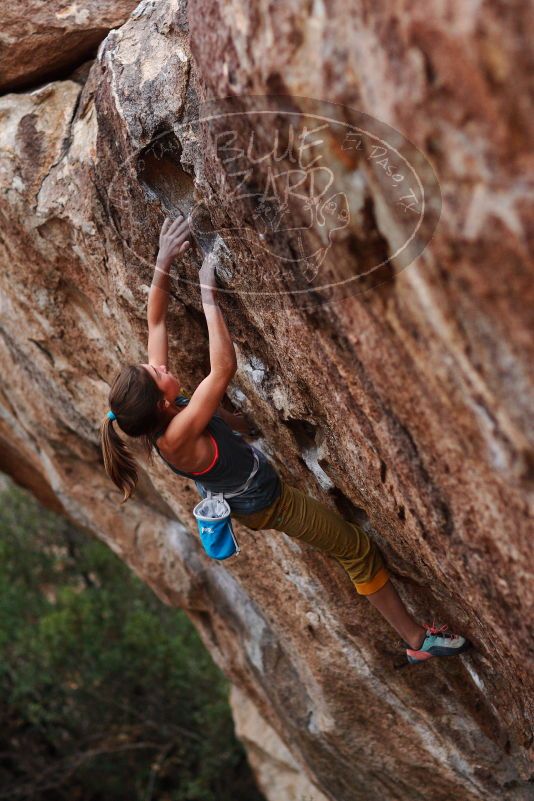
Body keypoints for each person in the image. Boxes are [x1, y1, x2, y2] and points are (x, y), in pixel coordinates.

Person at [100, 215, 472, 667]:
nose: (158, 366)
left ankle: (239, 425)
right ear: (160, 405)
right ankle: (416, 640)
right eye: (156, 374)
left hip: (246, 478)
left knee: (217, 412)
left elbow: (155, 320)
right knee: (355, 549)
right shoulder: (175, 434)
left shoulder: (160, 408)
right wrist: (208, 298)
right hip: (268, 503)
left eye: (152, 367)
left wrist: (162, 262)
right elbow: (222, 371)